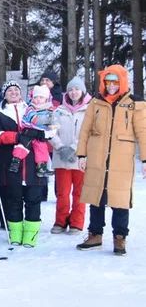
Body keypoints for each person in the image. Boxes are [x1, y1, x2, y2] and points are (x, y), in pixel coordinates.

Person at [75, 65, 146, 255]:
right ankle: (95, 234)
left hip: (121, 160)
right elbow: (85, 131)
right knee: (96, 197)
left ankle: (120, 237)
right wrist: (81, 155)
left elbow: (143, 132)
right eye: (108, 82)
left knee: (120, 199)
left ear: (122, 82)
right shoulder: (96, 102)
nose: (111, 86)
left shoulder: (135, 103)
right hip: (97, 157)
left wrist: (145, 160)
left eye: (115, 82)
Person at [0, 81, 47, 248]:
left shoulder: (33, 109)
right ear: (4, 94)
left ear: (21, 93)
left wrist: (40, 134)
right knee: (13, 199)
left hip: (32, 162)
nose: (13, 92)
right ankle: (15, 233)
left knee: (33, 199)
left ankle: (30, 235)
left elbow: (47, 129)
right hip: (10, 162)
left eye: (16, 90)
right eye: (10, 90)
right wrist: (16, 137)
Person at [51, 77, 90, 234]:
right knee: (62, 192)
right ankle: (61, 221)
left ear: (82, 91)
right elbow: (51, 131)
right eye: (71, 90)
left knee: (80, 193)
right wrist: (60, 147)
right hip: (62, 157)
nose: (74, 93)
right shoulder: (59, 110)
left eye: (77, 89)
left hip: (81, 158)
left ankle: (76, 222)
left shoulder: (90, 110)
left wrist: (74, 148)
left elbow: (89, 133)